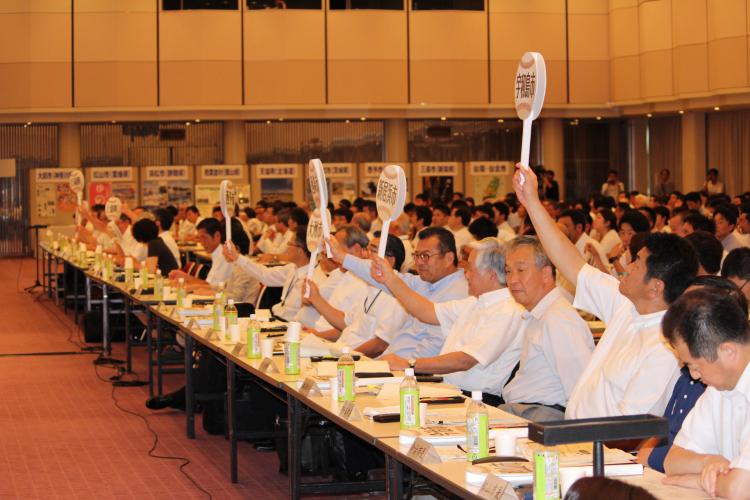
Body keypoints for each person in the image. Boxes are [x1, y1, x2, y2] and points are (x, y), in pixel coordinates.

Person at [512, 164, 698, 419]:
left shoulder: (664, 347)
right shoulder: (627, 304)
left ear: (656, 286)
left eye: (637, 263)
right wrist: (532, 201)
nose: (626, 266)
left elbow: (632, 428)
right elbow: (569, 262)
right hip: (580, 438)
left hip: (605, 451)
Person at [370, 238, 525, 405]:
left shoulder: (508, 310)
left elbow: (465, 360)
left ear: (491, 275)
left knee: (389, 403)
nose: (466, 275)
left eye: (470, 269)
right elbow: (427, 312)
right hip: (450, 390)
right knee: (376, 394)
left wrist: (408, 364)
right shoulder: (475, 302)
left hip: (477, 401)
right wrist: (389, 279)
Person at [662, 288, 750, 498]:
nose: (693, 375)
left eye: (695, 366)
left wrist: (695, 481)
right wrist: (708, 461)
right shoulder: (718, 389)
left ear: (728, 351)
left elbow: (740, 489)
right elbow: (671, 462)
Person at [330, 227, 469, 359]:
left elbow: (433, 348)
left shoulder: (458, 293)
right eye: (417, 255)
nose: (419, 262)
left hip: (411, 372)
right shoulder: (424, 281)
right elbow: (385, 276)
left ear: (449, 258)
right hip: (394, 362)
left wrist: (406, 368)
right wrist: (342, 257)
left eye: (425, 256)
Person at [499, 236, 594, 421]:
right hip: (523, 411)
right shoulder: (540, 313)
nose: (512, 280)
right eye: (508, 271)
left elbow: (580, 387)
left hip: (541, 416)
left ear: (545, 273)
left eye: (521, 270)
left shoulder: (558, 319)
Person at [304, 233, 409, 350]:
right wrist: (316, 298)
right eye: (366, 250)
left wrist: (347, 357)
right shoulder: (371, 286)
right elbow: (345, 323)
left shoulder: (397, 294)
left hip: (358, 361)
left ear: (390, 260)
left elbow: (380, 345)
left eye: (372, 251)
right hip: (341, 350)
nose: (365, 255)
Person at [304, 225, 369, 333]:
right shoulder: (344, 273)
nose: (328, 253)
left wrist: (317, 335)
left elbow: (348, 327)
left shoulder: (365, 282)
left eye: (335, 247)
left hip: (332, 343)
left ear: (356, 249)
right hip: (318, 333)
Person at [169, 218, 233, 287]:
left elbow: (210, 287)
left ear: (217, 235)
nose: (202, 242)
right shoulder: (218, 253)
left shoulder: (224, 256)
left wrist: (185, 277)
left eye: (204, 238)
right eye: (199, 238)